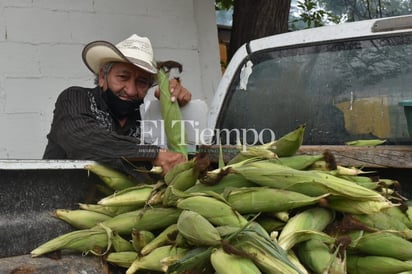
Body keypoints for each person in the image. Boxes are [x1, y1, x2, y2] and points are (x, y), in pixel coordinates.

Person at [43, 34, 192, 177]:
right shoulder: (74, 98)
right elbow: (82, 141)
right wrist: (153, 153)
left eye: (141, 82)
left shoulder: (143, 116)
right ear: (102, 77)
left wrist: (170, 99)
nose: (131, 90)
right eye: (123, 77)